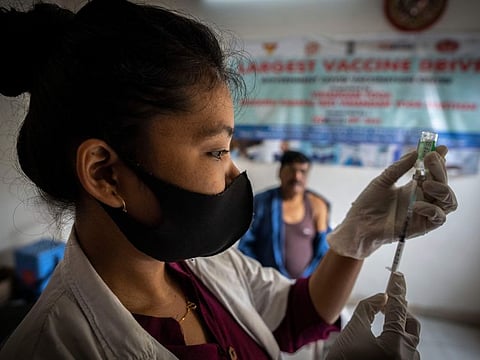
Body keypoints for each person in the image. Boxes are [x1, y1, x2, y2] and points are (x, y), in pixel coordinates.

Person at [0, 1, 457, 359]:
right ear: (104, 173)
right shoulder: (52, 349)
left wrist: (356, 237)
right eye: (217, 151)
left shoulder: (201, 265)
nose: (234, 173)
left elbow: (293, 315)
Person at [237, 150, 331, 279]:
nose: (297, 177)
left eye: (302, 172)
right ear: (280, 172)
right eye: (291, 170)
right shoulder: (261, 203)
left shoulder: (318, 205)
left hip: (306, 286)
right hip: (267, 284)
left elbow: (323, 251)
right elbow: (246, 246)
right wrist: (260, 276)